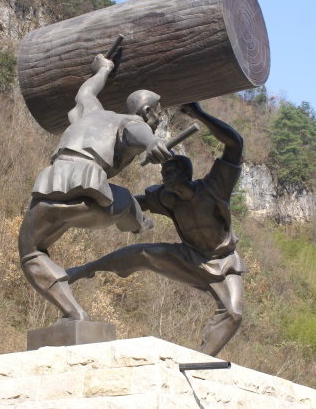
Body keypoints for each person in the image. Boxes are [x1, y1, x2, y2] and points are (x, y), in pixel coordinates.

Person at [67, 102, 245, 356]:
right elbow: (133, 203)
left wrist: (198, 113)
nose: (164, 177)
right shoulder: (166, 198)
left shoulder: (214, 187)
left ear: (185, 173)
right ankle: (82, 270)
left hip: (224, 260)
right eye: (163, 173)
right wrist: (93, 199)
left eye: (170, 172)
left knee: (233, 313)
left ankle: (201, 360)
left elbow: (235, 143)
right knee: (142, 253)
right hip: (190, 257)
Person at [18, 53, 173, 323]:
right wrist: (150, 142)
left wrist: (103, 69)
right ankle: (138, 222)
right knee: (124, 200)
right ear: (148, 112)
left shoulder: (92, 112)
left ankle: (73, 313)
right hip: (90, 189)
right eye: (159, 114)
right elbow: (135, 130)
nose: (160, 119)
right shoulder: (133, 123)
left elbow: (86, 92)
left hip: (52, 188)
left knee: (30, 252)